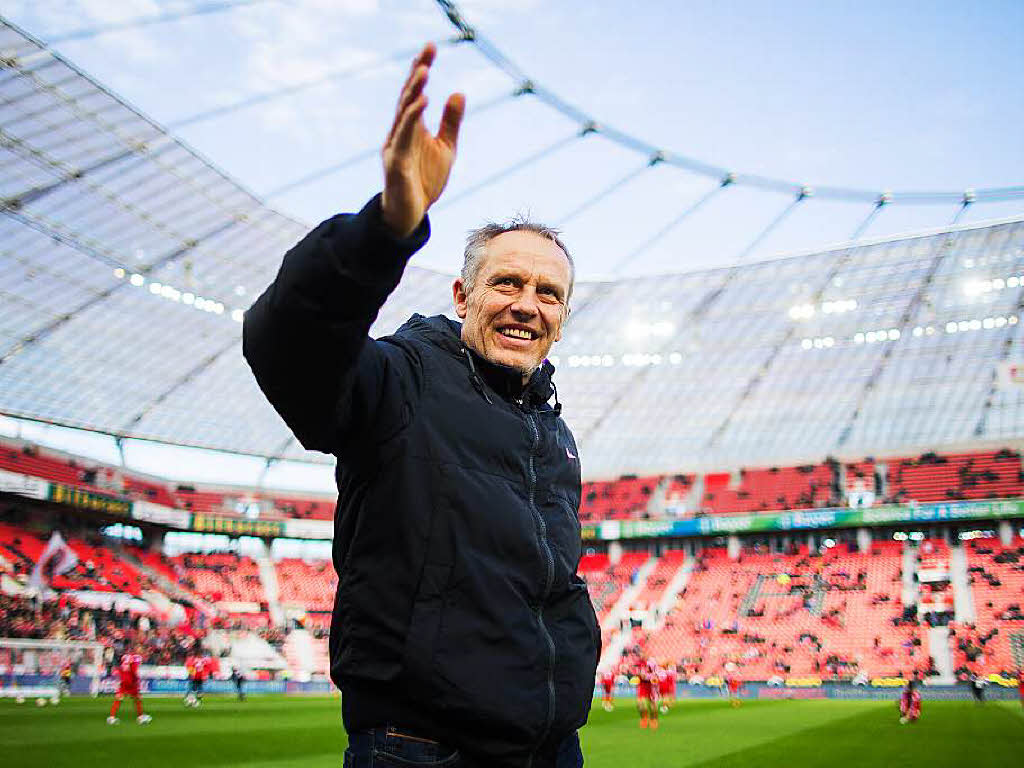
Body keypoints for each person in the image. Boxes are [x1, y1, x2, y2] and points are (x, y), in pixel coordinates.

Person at [244, 42, 600, 768]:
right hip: (421, 751)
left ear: (563, 315)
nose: (527, 306)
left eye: (549, 293)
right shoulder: (401, 380)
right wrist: (387, 229)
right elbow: (287, 342)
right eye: (506, 284)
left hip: (551, 750)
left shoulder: (554, 431)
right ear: (463, 295)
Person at [107, 648, 151, 725]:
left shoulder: (125, 656)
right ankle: (140, 717)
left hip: (123, 680)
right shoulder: (137, 658)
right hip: (131, 681)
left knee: (119, 698)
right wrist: (136, 679)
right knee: (137, 698)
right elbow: (134, 670)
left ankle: (111, 717)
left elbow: (120, 666)